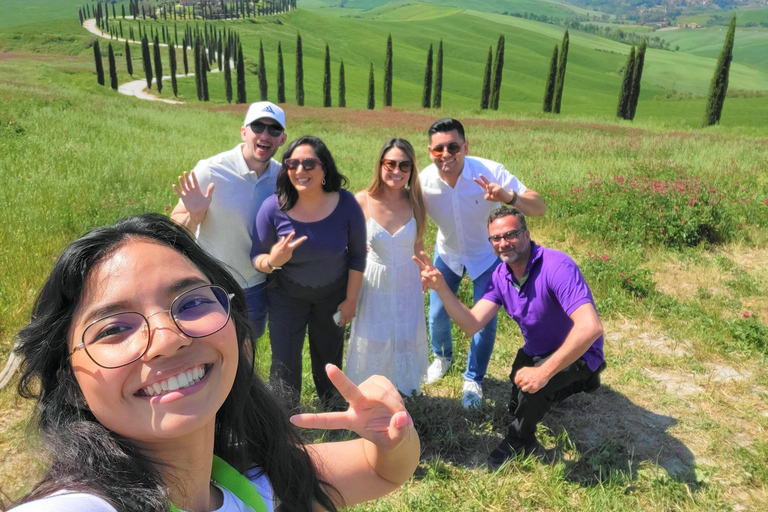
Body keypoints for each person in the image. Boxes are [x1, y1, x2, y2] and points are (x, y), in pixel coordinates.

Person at [8, 214, 420, 512]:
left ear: (238, 336)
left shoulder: (256, 484)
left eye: (191, 303)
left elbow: (382, 470)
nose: (167, 341)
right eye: (114, 328)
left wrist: (395, 438)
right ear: (71, 383)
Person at [415, 206, 605, 469]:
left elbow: (590, 327)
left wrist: (544, 373)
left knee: (532, 388)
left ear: (526, 235)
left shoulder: (556, 266)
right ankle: (576, 383)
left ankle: (521, 440)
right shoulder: (501, 276)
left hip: (581, 350)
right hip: (539, 348)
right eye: (496, 238)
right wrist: (441, 287)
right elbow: (471, 324)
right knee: (518, 387)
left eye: (511, 234)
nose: (503, 243)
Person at [420, 117, 547, 408]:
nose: (446, 155)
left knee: (484, 323)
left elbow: (538, 206)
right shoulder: (423, 181)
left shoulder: (490, 172)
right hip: (448, 252)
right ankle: (442, 358)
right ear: (430, 151)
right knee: (438, 313)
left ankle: (473, 378)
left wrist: (508, 196)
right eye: (438, 149)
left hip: (486, 256)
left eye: (453, 146)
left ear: (465, 146)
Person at [251, 136, 366, 409]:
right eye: (292, 164)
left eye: (309, 163)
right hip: (285, 296)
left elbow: (358, 256)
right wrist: (273, 261)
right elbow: (256, 256)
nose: (300, 170)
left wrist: (350, 300)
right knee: (284, 361)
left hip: (333, 296)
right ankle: (285, 417)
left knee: (329, 357)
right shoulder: (273, 207)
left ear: (325, 168)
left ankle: (332, 407)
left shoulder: (346, 204)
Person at [171, 101, 287, 340]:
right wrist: (194, 217)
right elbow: (175, 227)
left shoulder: (282, 177)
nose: (265, 134)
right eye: (257, 127)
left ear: (282, 139)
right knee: (207, 351)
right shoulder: (211, 171)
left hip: (255, 286)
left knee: (247, 353)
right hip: (211, 285)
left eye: (273, 130)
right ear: (244, 132)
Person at [345, 138, 429, 396]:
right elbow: (348, 248)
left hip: (407, 280)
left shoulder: (415, 201)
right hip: (373, 281)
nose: (397, 171)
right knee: (374, 337)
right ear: (380, 165)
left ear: (412, 170)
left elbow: (418, 245)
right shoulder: (362, 200)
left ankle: (403, 387)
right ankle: (370, 389)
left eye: (405, 165)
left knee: (404, 334)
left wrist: (426, 272)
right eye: (390, 163)